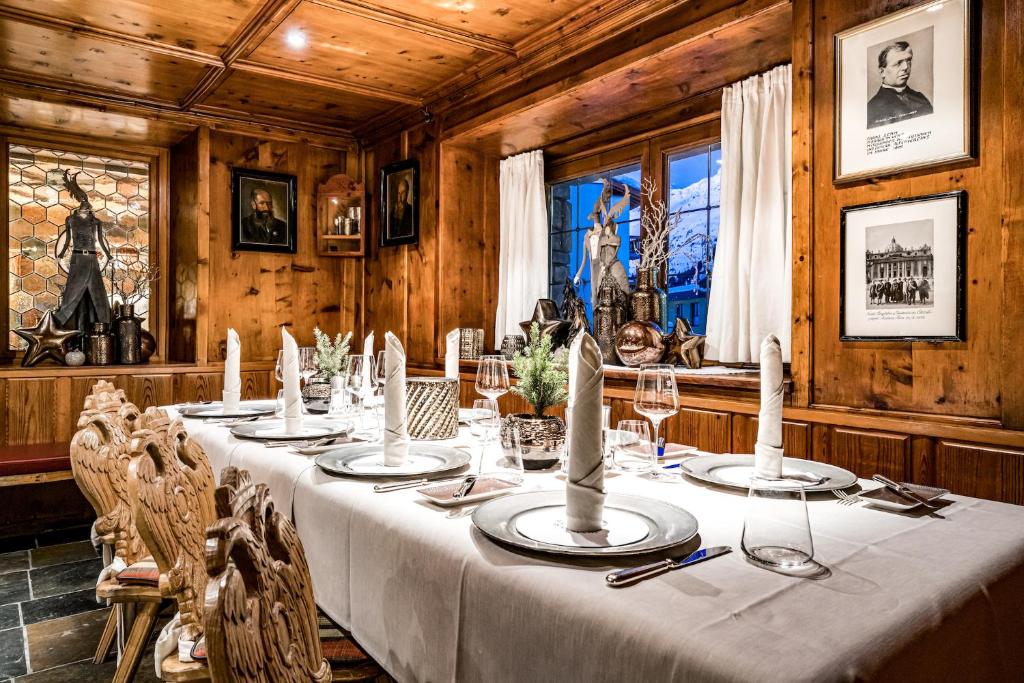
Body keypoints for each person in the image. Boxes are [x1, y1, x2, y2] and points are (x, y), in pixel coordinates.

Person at [53, 171, 113, 333]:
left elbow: (100, 241)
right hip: (77, 258)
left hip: (92, 259)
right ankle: (59, 322)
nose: (86, 206)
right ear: (80, 203)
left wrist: (108, 256)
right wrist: (60, 256)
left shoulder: (96, 222)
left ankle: (105, 325)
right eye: (84, 202)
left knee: (98, 291)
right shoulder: (71, 220)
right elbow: (68, 239)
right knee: (72, 291)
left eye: (87, 203)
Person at [866, 40, 933, 129]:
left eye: (908, 60)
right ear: (882, 72)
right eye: (898, 63)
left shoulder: (921, 98)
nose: (906, 67)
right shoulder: (872, 108)